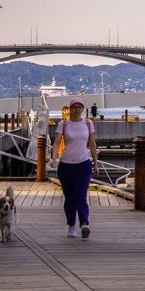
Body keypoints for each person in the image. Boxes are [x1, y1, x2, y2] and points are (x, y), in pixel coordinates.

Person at [52, 96, 99, 238]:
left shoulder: (88, 123)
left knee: (80, 195)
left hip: (83, 164)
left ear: (83, 109)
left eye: (79, 107)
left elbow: (92, 144)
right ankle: (71, 225)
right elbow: (56, 143)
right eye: (74, 107)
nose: (77, 110)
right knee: (69, 197)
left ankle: (84, 223)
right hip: (66, 165)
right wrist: (54, 158)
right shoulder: (63, 124)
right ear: (70, 109)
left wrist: (95, 163)